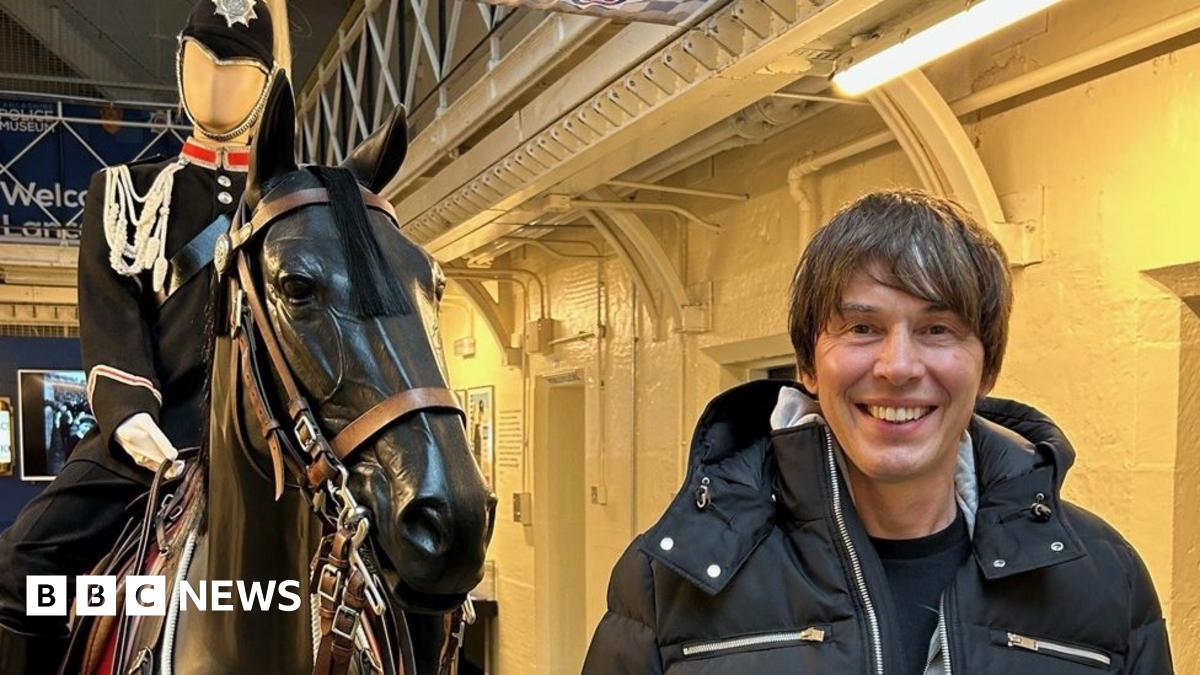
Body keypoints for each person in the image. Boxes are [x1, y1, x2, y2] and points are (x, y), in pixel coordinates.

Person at [582, 189, 1173, 674]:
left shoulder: (1103, 581)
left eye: (938, 328)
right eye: (862, 327)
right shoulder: (671, 577)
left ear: (986, 368)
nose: (897, 366)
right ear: (809, 367)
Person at [0, 2, 277, 671]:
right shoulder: (124, 192)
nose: (217, 82)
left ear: (263, 85)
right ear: (180, 65)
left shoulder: (288, 201)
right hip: (153, 440)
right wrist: (128, 416)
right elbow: (112, 314)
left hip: (273, 448)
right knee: (22, 565)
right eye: (205, 63)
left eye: (236, 69)